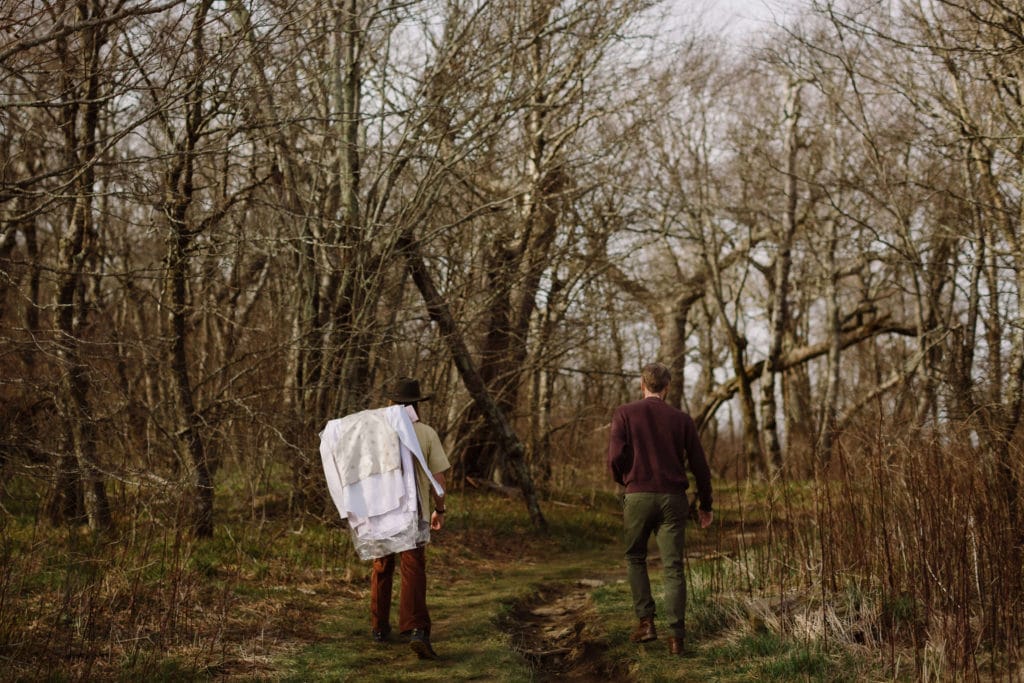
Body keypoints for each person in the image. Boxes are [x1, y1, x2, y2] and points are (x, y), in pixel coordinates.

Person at [607, 362, 713, 657]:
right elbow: (700, 467)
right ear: (667, 387)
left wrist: (625, 479)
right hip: (672, 499)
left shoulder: (625, 414)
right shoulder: (682, 420)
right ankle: (677, 638)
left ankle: (646, 623)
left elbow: (615, 456)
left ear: (642, 385)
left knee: (636, 558)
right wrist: (706, 505)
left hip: (638, 495)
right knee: (673, 566)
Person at [370, 377, 451, 660]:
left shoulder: (377, 433)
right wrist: (439, 509)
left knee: (382, 565)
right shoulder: (426, 433)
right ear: (416, 404)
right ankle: (416, 628)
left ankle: (379, 627)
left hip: (380, 510)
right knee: (412, 566)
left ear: (390, 403)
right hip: (412, 511)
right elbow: (438, 478)